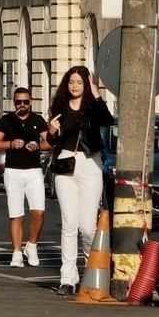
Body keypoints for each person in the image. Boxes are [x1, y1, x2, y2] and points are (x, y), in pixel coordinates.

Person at [47, 65, 114, 296]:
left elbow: (107, 121)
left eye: (79, 82)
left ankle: (92, 269)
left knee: (87, 227)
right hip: (65, 164)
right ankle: (67, 279)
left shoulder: (92, 108)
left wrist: (96, 93)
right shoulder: (60, 107)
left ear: (87, 85)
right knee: (69, 225)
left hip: (89, 164)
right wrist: (51, 131)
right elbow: (51, 139)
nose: (74, 86)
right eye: (71, 82)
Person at [0, 86, 48, 268]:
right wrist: (10, 143)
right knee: (16, 215)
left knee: (38, 212)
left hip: (34, 171)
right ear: (13, 102)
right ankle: (16, 252)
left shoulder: (38, 119)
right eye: (18, 101)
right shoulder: (7, 120)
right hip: (13, 171)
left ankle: (31, 245)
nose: (22, 105)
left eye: (25, 101)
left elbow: (48, 143)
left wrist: (37, 145)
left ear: (30, 102)